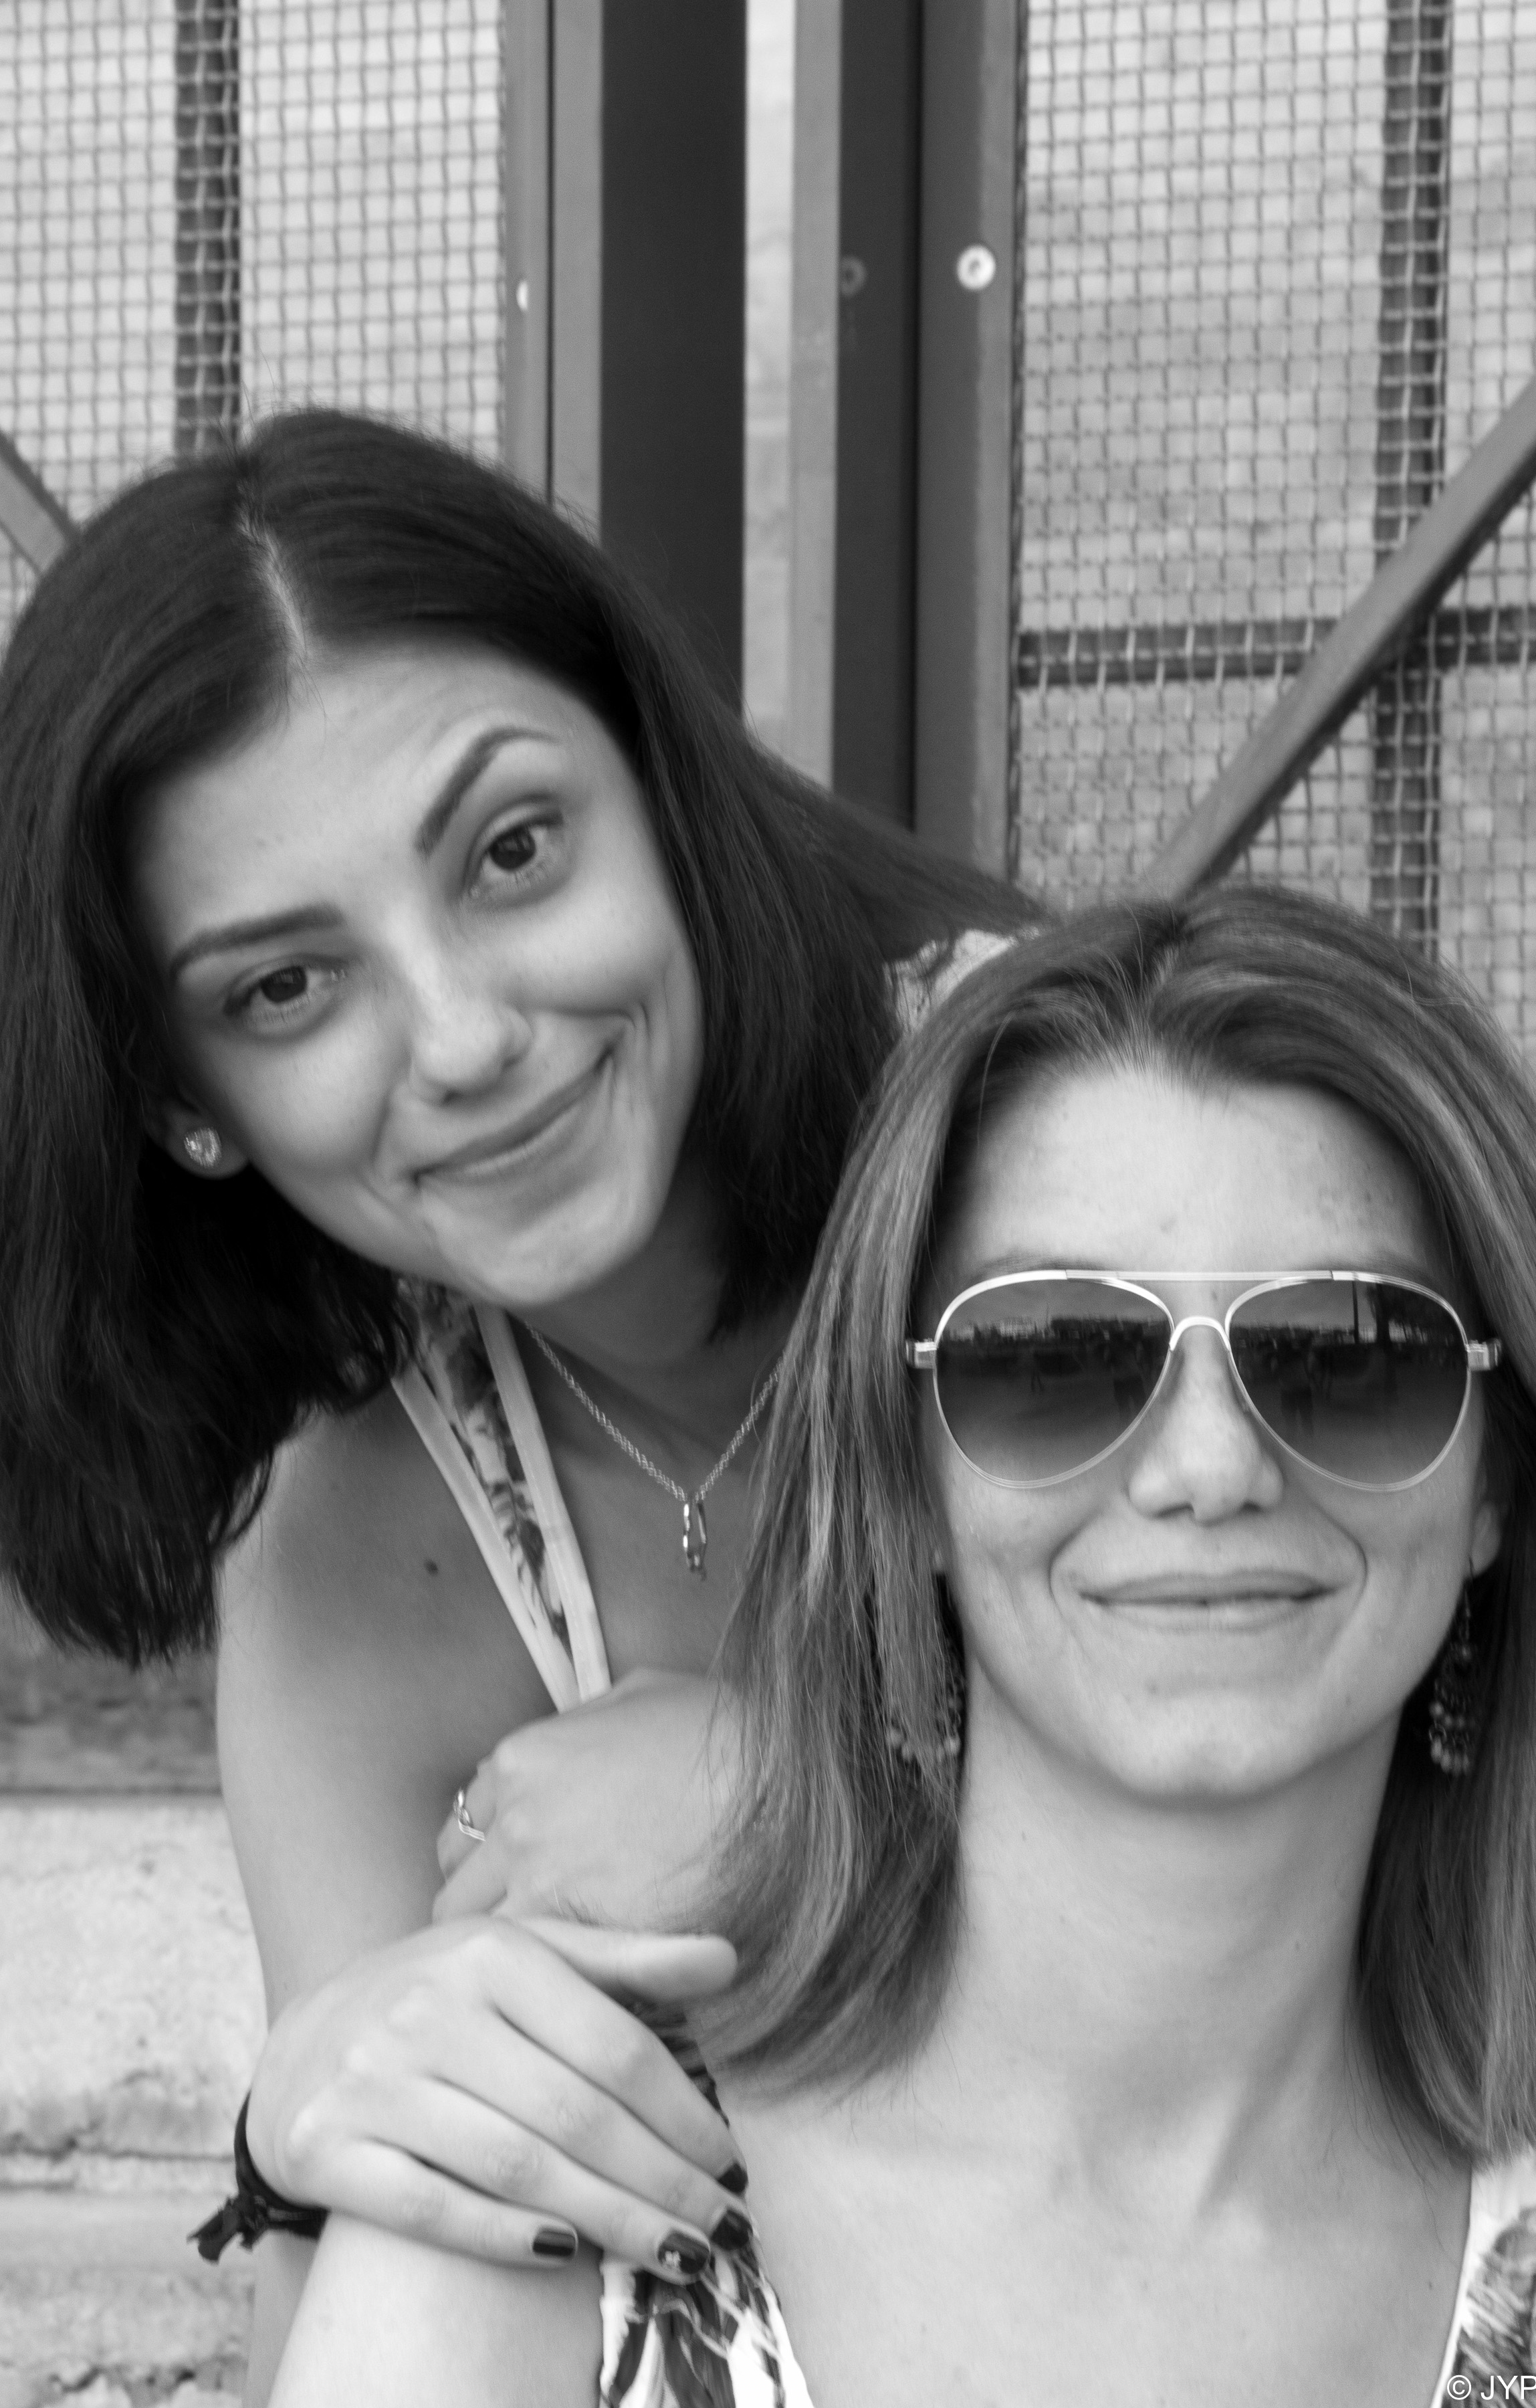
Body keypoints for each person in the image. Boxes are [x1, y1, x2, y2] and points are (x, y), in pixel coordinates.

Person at [0, 409, 1039, 2392]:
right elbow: (356, 2292)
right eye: (285, 989)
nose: (468, 1036)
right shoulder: (358, 1529)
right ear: (183, 1106)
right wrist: (310, 2118)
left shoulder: (1056, 1154)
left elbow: (1464, 1867)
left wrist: (804, 1800)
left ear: (660, 780)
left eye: (512, 852)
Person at [268, 887, 1536, 2403]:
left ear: (1496, 1479)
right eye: (1054, 1356)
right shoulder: (556, 2184)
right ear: (904, 1478)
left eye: (1349, 1356)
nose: (1210, 1468)